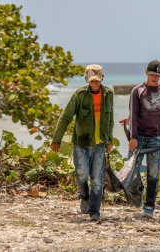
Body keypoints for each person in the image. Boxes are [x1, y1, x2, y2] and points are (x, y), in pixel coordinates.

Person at [51, 64, 114, 221]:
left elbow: (110, 119)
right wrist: (56, 139)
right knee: (81, 175)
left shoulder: (108, 94)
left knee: (97, 180)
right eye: (92, 81)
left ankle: (95, 211)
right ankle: (84, 196)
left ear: (102, 79)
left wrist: (109, 140)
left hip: (99, 145)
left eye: (97, 81)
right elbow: (66, 117)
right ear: (87, 80)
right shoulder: (79, 95)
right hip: (81, 144)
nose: (95, 84)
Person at [128, 60, 160, 218]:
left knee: (153, 174)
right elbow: (134, 116)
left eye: (157, 76)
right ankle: (138, 192)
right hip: (139, 137)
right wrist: (133, 137)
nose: (154, 78)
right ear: (146, 72)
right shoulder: (137, 91)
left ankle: (149, 206)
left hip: (157, 138)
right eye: (152, 75)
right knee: (132, 171)